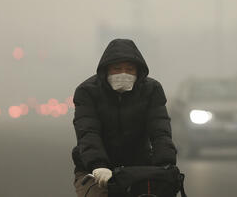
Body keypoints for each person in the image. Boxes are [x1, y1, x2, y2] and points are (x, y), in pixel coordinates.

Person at [71, 38, 177, 197]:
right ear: (106, 70)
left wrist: (166, 164)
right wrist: (98, 165)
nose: (123, 73)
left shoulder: (152, 90)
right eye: (117, 68)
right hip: (95, 170)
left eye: (129, 69)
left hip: (139, 168)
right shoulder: (87, 91)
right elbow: (88, 132)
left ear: (138, 71)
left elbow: (160, 130)